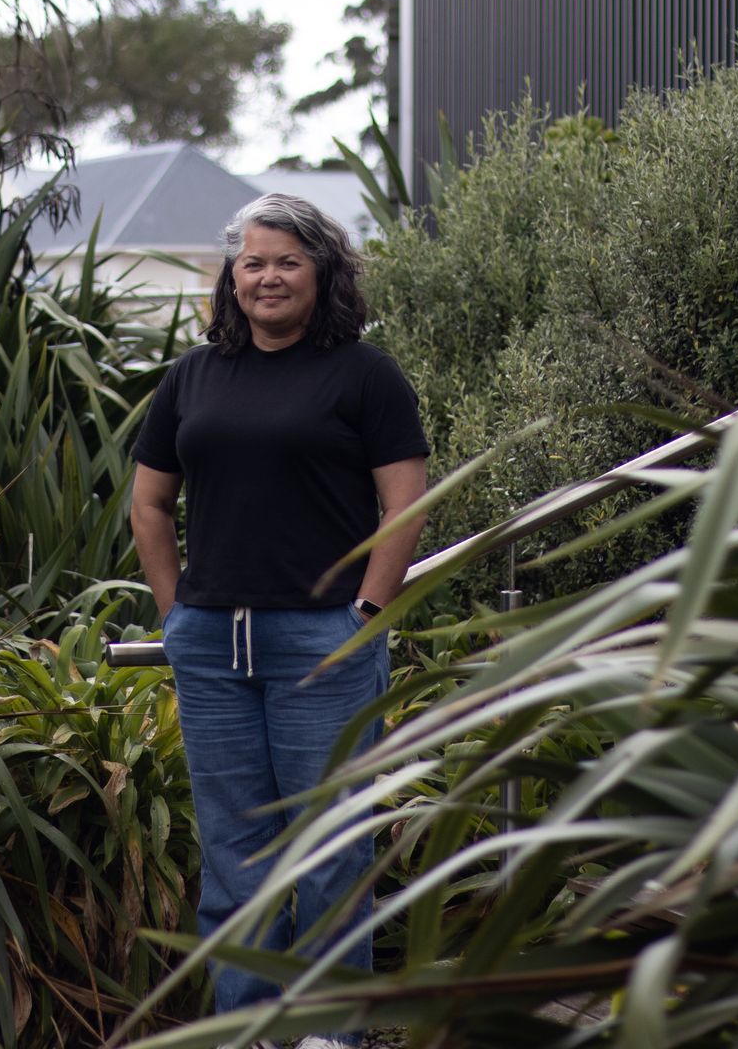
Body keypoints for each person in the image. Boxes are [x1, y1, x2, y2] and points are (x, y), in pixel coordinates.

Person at [130, 193, 429, 1048]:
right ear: (232, 275)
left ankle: (330, 1033)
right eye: (253, 261)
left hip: (322, 640)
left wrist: (367, 610)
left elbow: (405, 506)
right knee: (235, 852)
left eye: (287, 261)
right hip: (211, 643)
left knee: (329, 847)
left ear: (322, 271)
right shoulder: (193, 374)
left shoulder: (365, 374)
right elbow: (150, 503)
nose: (267, 277)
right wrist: (176, 611)